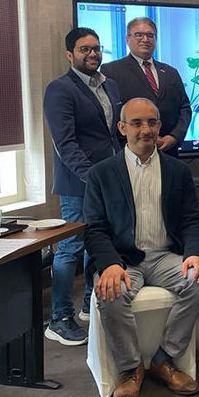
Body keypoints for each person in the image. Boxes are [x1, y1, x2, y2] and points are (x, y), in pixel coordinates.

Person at [83, 98, 199, 397]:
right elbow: (94, 229)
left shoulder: (177, 171)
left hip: (165, 256)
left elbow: (190, 220)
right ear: (122, 128)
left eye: (152, 122)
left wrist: (194, 253)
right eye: (137, 123)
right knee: (110, 290)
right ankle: (129, 369)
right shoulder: (102, 173)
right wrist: (110, 264)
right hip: (123, 259)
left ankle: (164, 358)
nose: (146, 129)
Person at [43, 27, 122, 345]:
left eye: (97, 48)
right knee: (71, 247)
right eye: (84, 49)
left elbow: (113, 134)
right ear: (69, 54)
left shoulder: (111, 86)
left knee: (97, 240)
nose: (93, 54)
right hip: (78, 183)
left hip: (107, 178)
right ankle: (59, 317)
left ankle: (91, 304)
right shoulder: (60, 89)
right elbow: (65, 142)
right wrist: (92, 176)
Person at [101, 17, 191, 157]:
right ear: (127, 39)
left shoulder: (170, 72)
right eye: (139, 34)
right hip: (131, 151)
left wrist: (175, 137)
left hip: (168, 152)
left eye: (150, 35)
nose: (145, 39)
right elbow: (109, 113)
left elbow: (184, 108)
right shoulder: (111, 71)